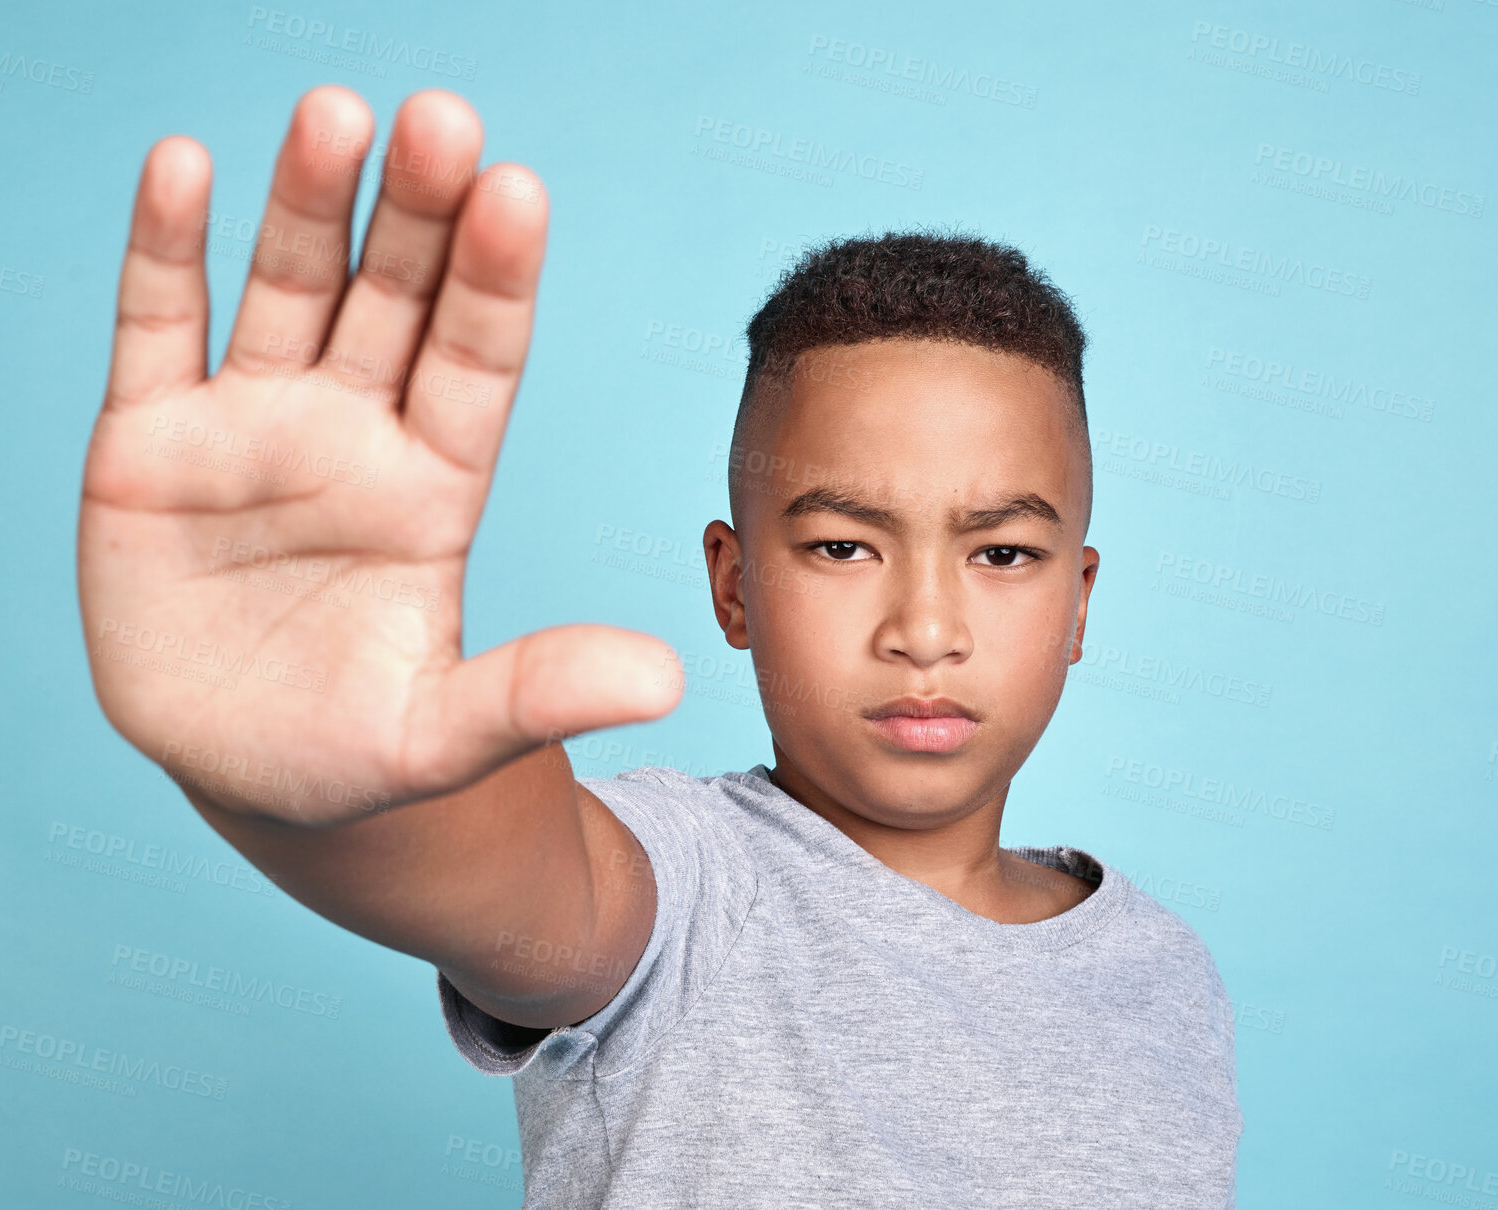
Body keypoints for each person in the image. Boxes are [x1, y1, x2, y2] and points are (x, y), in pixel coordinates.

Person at [77, 83, 1242, 1207]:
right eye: (842, 547)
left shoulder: (1164, 971)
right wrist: (321, 752)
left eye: (1000, 555)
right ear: (734, 589)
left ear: (1078, 602)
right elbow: (515, 880)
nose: (925, 632)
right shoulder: (684, 891)